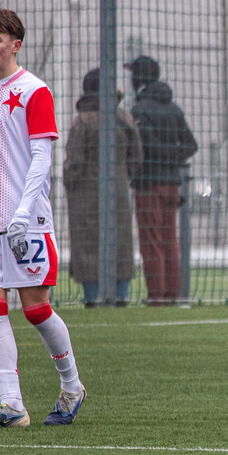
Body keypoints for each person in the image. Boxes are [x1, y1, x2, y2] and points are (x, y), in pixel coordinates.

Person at [0, 9, 86, 427]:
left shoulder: (36, 91)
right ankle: (12, 406)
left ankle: (72, 386)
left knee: (35, 310)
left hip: (26, 221)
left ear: (15, 44)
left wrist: (21, 213)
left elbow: (40, 158)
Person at [64, 68, 143, 307]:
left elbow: (75, 162)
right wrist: (122, 175)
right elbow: (137, 158)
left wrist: (70, 180)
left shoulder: (83, 121)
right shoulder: (124, 118)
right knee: (120, 242)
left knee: (88, 245)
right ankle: (121, 295)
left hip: (85, 195)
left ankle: (92, 297)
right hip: (118, 190)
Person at [125, 55, 198, 306]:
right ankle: (172, 294)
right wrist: (173, 161)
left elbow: (145, 147)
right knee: (170, 241)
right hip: (172, 183)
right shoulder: (173, 108)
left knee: (151, 242)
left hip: (148, 184)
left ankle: (156, 296)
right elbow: (190, 145)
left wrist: (159, 159)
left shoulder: (140, 110)